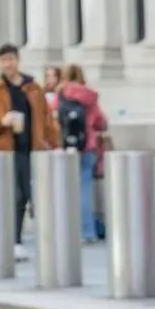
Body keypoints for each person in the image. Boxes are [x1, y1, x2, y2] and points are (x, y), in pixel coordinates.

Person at [0, 44, 58, 257]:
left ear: (18, 60)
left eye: (11, 59)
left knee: (36, 195)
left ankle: (46, 240)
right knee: (15, 195)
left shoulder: (32, 87)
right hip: (6, 150)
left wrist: (54, 143)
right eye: (3, 60)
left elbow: (46, 118)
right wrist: (1, 121)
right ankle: (14, 240)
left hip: (33, 147)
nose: (8, 64)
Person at [56, 65, 108, 243]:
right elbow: (101, 122)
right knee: (85, 188)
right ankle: (87, 232)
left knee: (65, 190)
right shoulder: (90, 97)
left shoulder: (59, 95)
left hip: (65, 148)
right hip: (87, 146)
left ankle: (67, 230)